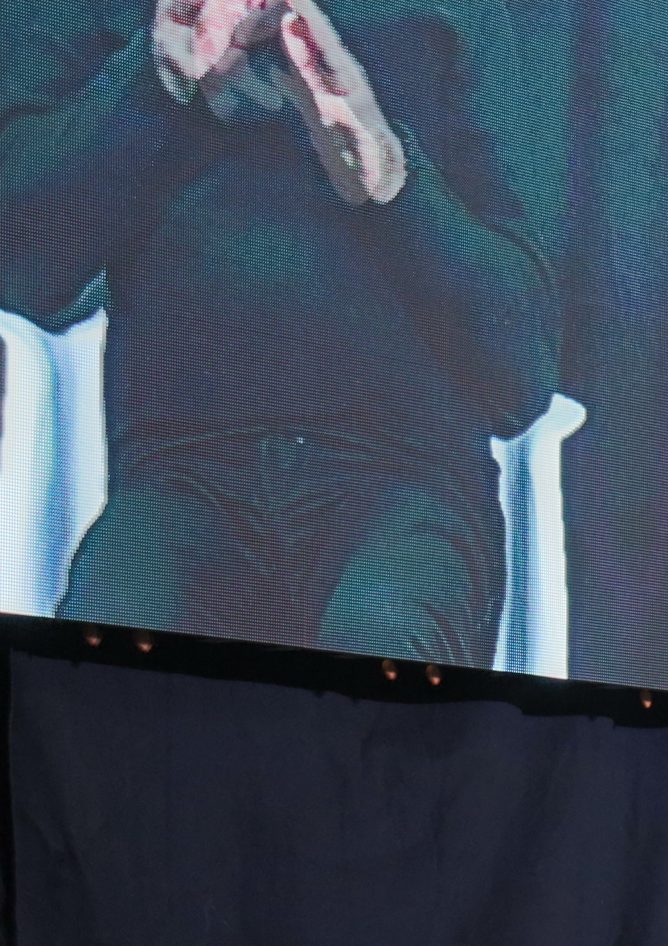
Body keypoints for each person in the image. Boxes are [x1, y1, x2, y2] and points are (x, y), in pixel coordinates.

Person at [0, 0, 560, 665]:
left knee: (378, 642)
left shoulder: (460, 23)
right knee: (106, 668)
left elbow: (520, 382)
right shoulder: (85, 16)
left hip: (405, 482)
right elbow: (21, 268)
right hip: (178, 478)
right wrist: (160, 90)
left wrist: (392, 182)